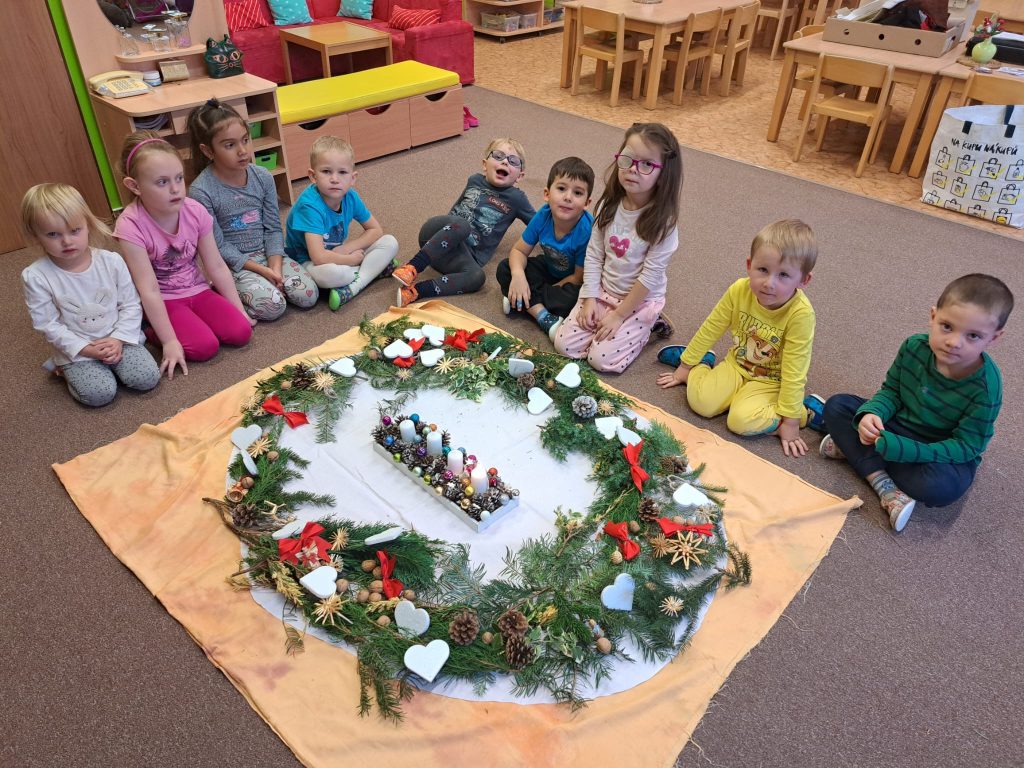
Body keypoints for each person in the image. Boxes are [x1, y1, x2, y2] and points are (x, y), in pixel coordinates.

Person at [819, 274, 1012, 532]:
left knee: (941, 488)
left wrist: (907, 450)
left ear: (994, 338)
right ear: (933, 316)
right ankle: (883, 483)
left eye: (973, 336)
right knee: (836, 406)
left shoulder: (987, 387)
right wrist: (873, 413)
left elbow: (967, 446)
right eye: (947, 326)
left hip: (938, 449)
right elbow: (892, 392)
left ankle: (857, 454)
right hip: (898, 427)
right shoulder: (913, 347)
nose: (954, 342)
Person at [656, 219, 819, 458]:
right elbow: (711, 327)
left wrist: (792, 421)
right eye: (763, 270)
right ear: (749, 265)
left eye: (784, 275)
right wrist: (686, 365)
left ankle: (807, 412)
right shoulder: (739, 290)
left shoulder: (801, 314)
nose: (769, 283)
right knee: (701, 403)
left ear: (803, 281)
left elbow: (795, 370)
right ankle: (704, 362)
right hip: (736, 365)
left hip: (772, 381)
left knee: (740, 422)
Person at [114, 130, 252, 379]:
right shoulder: (130, 225)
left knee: (241, 331)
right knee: (204, 347)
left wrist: (239, 309)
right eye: (162, 182)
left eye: (179, 178)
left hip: (197, 289)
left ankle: (193, 322)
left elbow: (216, 266)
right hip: (163, 298)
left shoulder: (195, 211)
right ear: (134, 186)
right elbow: (148, 289)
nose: (176, 189)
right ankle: (151, 328)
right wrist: (168, 341)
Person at [553, 122, 683, 373]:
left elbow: (649, 276)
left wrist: (619, 315)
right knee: (565, 346)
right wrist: (589, 297)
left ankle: (650, 326)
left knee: (600, 360)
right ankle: (617, 326)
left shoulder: (663, 223)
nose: (633, 169)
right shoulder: (608, 206)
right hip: (604, 290)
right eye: (628, 159)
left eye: (647, 164)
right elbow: (594, 255)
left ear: (664, 173)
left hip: (638, 301)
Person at [20, 183, 160, 407]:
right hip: (78, 349)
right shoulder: (36, 276)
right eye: (53, 234)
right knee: (99, 395)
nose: (67, 241)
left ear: (88, 225)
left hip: (119, 338)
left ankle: (112, 355)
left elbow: (131, 304)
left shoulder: (111, 261)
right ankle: (63, 369)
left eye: (75, 230)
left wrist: (118, 338)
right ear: (36, 235)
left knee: (147, 378)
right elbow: (47, 324)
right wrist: (86, 349)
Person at [186, 99, 318, 322]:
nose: (242, 151)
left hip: (269, 253)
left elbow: (273, 228)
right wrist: (262, 271)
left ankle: (266, 284)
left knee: (308, 295)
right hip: (235, 263)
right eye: (230, 145)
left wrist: (275, 267)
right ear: (208, 151)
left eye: (245, 140)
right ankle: (223, 292)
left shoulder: (263, 177)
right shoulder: (201, 191)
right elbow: (218, 246)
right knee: (274, 306)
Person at [392, 137, 536, 307]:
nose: (505, 161)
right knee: (462, 225)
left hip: (461, 257)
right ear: (485, 164)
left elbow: (537, 223)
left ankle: (417, 291)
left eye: (513, 161)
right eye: (498, 156)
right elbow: (455, 209)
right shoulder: (474, 180)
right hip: (435, 238)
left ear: (520, 176)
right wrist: (446, 234)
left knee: (477, 277)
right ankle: (413, 267)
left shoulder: (517, 198)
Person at [284, 136, 398, 309]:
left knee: (390, 242)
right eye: (326, 171)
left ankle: (354, 285)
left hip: (340, 254)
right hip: (308, 261)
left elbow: (375, 230)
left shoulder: (350, 196)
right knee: (330, 274)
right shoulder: (309, 206)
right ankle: (373, 270)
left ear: (352, 178)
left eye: (342, 172)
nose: (335, 179)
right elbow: (319, 257)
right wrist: (350, 260)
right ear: (313, 176)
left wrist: (346, 249)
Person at [497, 156, 595, 340]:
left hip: (573, 280)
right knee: (505, 267)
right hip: (549, 267)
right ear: (547, 194)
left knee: (575, 301)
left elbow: (578, 277)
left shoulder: (587, 230)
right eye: (561, 188)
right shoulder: (543, 215)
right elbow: (519, 251)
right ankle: (541, 313)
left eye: (577, 193)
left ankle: (523, 301)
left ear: (587, 203)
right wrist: (518, 276)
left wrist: (547, 288)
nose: (568, 197)